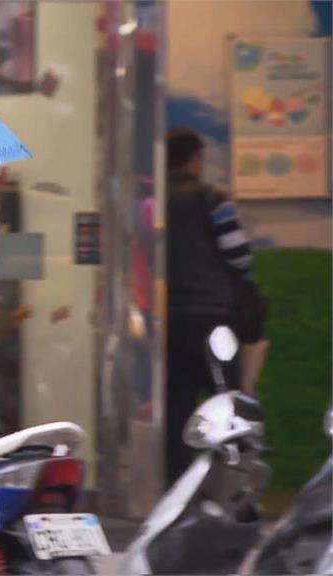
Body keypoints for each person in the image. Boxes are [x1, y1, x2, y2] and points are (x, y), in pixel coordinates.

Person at [165, 127, 260, 484]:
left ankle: (175, 487)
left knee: (176, 409)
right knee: (227, 404)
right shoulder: (212, 198)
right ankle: (233, 484)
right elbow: (239, 256)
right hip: (213, 320)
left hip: (169, 321)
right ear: (195, 158)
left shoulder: (151, 202)